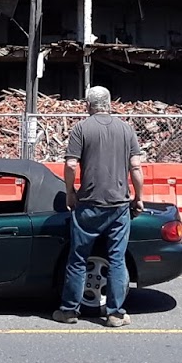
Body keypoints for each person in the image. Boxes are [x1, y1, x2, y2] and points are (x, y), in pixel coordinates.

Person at [52, 86, 144, 328]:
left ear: (88, 105)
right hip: (119, 205)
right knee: (116, 258)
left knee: (78, 258)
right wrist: (139, 197)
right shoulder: (126, 129)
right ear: (110, 103)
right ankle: (115, 313)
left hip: (89, 205)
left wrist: (71, 192)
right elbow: (135, 166)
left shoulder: (81, 129)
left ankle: (69, 310)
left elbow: (71, 165)